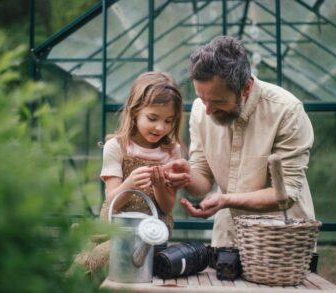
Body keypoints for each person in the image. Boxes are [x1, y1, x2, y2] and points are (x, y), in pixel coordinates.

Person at [166, 35, 315, 248]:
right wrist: (186, 175)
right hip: (228, 238)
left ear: (245, 88)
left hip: (283, 241)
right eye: (201, 98)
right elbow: (203, 179)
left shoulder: (286, 111)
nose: (207, 110)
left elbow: (286, 193)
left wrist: (226, 200)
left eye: (217, 101)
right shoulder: (201, 111)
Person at [72, 71, 184, 274]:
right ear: (134, 111)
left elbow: (167, 206)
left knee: (110, 255)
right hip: (115, 225)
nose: (161, 127)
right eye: (152, 118)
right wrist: (131, 183)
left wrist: (159, 185)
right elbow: (113, 200)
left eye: (169, 121)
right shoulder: (116, 147)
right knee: (91, 259)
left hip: (150, 233)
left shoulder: (172, 151)